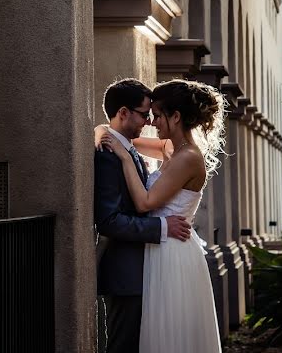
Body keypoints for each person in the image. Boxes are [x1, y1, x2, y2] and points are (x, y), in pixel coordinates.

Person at [97, 78, 226, 353]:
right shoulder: (170, 149)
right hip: (158, 249)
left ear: (176, 116)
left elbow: (144, 203)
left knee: (170, 333)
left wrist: (121, 155)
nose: (152, 123)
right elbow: (118, 134)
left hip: (172, 253)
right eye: (148, 115)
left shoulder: (188, 157)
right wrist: (103, 134)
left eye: (156, 115)